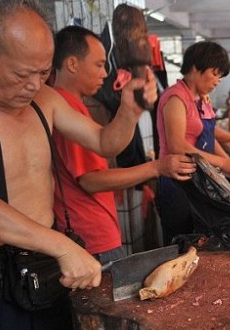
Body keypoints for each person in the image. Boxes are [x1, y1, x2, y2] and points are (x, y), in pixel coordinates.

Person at [0, 0, 158, 328]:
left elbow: (104, 142)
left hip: (45, 267)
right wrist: (60, 245)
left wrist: (130, 111)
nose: (34, 85)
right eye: (22, 73)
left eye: (43, 72)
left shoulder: (45, 99)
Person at [50, 26, 196, 265]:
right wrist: (157, 167)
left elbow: (107, 143)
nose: (105, 73)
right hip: (90, 237)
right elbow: (91, 180)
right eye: (98, 65)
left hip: (93, 232)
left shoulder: (73, 106)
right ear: (72, 64)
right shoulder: (65, 105)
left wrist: (132, 110)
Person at [156, 41, 230, 245]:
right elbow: (177, 146)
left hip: (200, 182)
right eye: (215, 74)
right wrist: (224, 163)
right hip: (177, 183)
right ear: (196, 67)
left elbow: (207, 137)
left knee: (202, 242)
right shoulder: (176, 98)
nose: (217, 81)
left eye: (220, 76)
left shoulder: (199, 99)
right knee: (180, 242)